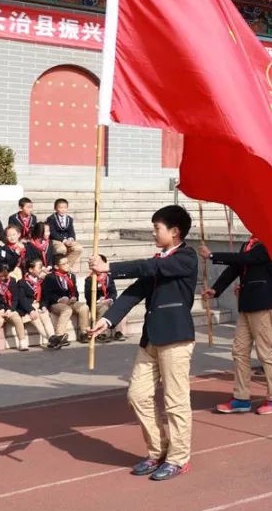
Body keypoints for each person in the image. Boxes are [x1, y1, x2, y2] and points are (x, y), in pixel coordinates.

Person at [85, 205, 198, 482]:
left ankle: (178, 458)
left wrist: (109, 267)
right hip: (151, 339)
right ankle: (158, 450)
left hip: (176, 338)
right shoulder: (159, 260)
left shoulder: (186, 258)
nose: (153, 233)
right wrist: (107, 320)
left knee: (175, 401)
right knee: (137, 395)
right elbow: (134, 292)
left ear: (175, 231)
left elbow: (151, 267)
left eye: (157, 228)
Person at [201, 236, 272, 414]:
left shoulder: (269, 243)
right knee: (239, 351)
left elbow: (248, 259)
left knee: (266, 352)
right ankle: (241, 397)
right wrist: (216, 289)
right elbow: (236, 267)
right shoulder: (248, 244)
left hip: (263, 304)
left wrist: (212, 255)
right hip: (246, 303)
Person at [43, 254, 90, 343]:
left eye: (68, 263)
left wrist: (74, 297)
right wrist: (59, 299)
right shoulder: (50, 277)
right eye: (64, 264)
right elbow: (47, 294)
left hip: (70, 301)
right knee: (67, 310)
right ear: (56, 266)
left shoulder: (71, 276)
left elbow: (75, 291)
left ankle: (84, 333)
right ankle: (59, 335)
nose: (67, 265)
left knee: (84, 307)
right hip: (56, 303)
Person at [17, 257, 58, 348]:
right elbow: (22, 299)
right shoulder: (22, 282)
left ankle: (52, 336)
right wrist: (31, 310)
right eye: (39, 267)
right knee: (36, 319)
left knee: (45, 315)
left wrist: (43, 306)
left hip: (39, 305)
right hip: (28, 308)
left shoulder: (42, 281)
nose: (41, 269)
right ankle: (51, 339)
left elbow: (44, 297)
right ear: (31, 269)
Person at [84, 255, 127, 342]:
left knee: (118, 306)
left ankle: (118, 332)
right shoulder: (90, 279)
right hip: (96, 303)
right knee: (104, 307)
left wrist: (110, 299)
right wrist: (100, 299)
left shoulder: (108, 277)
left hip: (108, 301)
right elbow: (88, 296)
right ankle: (102, 333)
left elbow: (113, 292)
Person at [47, 198, 83, 272]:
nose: (63, 210)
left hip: (67, 239)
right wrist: (63, 240)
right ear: (55, 208)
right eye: (60, 207)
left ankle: (67, 266)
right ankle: (58, 266)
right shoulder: (51, 218)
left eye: (65, 207)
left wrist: (71, 238)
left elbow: (71, 231)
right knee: (61, 249)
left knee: (78, 248)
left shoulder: (69, 219)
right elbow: (52, 232)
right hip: (56, 239)